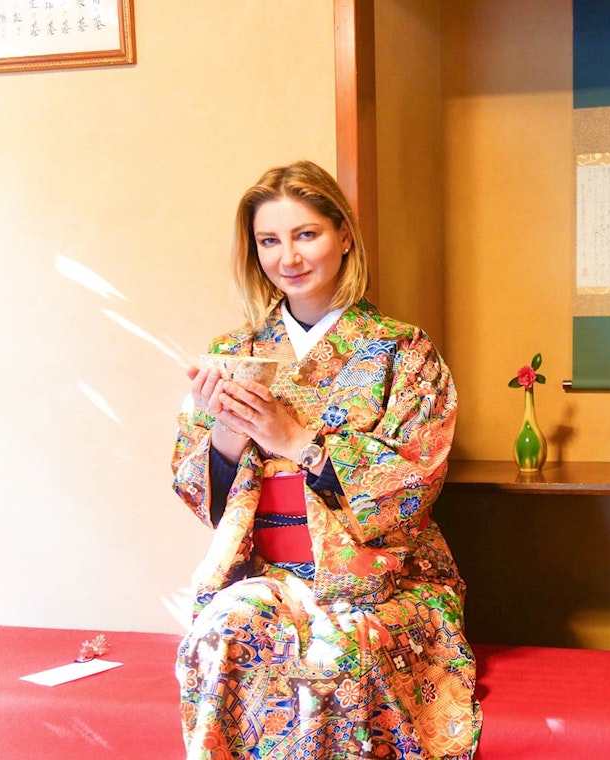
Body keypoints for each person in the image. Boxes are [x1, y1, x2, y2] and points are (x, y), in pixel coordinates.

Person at [171, 160, 480, 759]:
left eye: (306, 234)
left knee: (338, 656)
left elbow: (413, 487)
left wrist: (296, 439)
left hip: (384, 583)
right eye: (269, 240)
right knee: (221, 631)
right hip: (267, 575)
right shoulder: (233, 354)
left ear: (343, 235)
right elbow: (192, 487)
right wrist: (229, 438)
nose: (288, 257)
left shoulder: (401, 350)